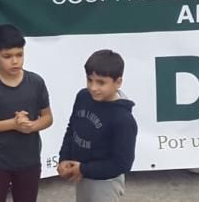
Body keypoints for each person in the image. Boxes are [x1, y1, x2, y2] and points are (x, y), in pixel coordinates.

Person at [0, 24, 53, 202]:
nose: (15, 61)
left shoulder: (36, 82)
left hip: (29, 161)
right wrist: (13, 124)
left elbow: (47, 118)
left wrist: (31, 126)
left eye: (19, 54)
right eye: (7, 56)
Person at [56, 50, 138, 202]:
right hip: (81, 175)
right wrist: (64, 157)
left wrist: (83, 169)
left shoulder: (123, 119)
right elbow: (72, 129)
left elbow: (122, 164)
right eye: (89, 80)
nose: (93, 87)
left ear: (118, 82)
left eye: (101, 82)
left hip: (105, 184)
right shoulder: (83, 96)